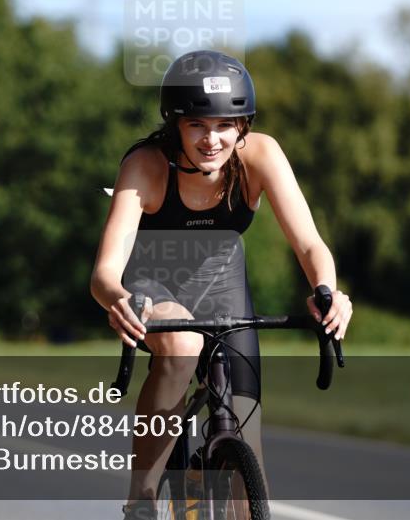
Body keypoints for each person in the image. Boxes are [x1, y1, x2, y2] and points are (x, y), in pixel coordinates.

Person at [90, 50, 353, 519]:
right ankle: (142, 499)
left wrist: (326, 291)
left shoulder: (262, 156)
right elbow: (105, 272)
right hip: (153, 285)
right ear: (176, 125)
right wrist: (119, 302)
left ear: (243, 126)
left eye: (224, 126)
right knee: (184, 345)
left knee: (248, 465)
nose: (212, 139)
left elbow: (311, 245)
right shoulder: (146, 167)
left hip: (224, 285)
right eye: (197, 126)